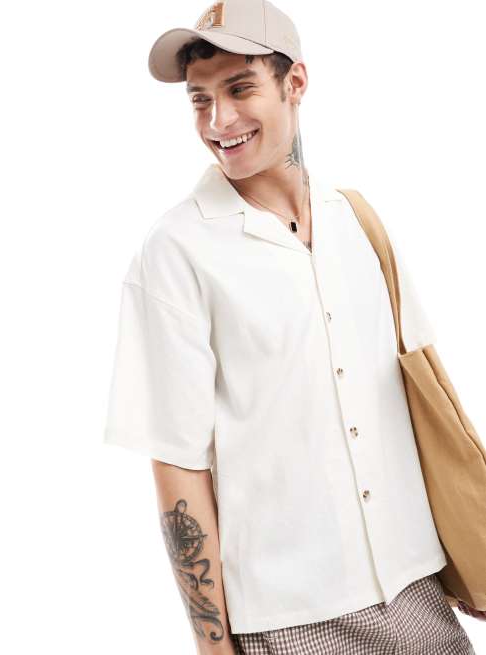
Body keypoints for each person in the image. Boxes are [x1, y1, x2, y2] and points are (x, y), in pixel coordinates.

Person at [104, 1, 480, 653]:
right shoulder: (177, 251)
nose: (218, 121)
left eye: (239, 89)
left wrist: (467, 546)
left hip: (417, 591)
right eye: (200, 100)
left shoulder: (355, 221)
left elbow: (418, 401)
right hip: (291, 620)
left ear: (295, 82)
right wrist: (214, 646)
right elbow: (178, 462)